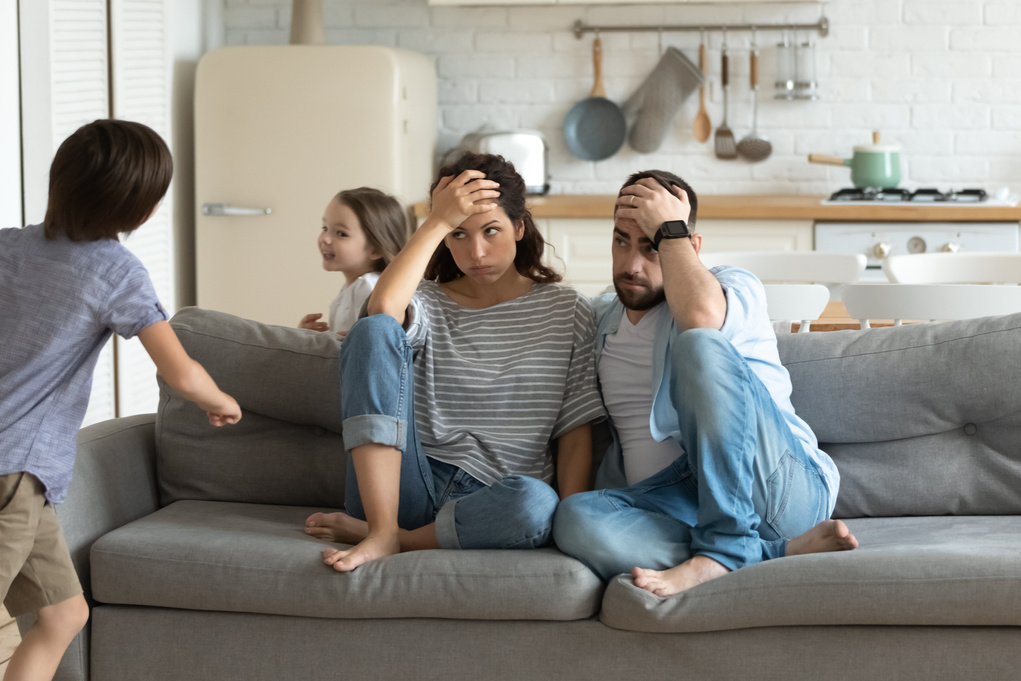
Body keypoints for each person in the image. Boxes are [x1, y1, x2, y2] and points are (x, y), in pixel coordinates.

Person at [0, 119, 242, 681]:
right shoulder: (116, 272)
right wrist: (220, 399)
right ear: (143, 210)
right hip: (12, 471)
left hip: (25, 479)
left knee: (64, 614)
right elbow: (180, 372)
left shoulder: (8, 246)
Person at [552, 170, 857, 598]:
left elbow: (700, 318)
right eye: (622, 241)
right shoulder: (600, 320)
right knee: (574, 518)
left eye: (651, 246)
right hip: (681, 502)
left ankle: (725, 548)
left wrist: (669, 230)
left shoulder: (732, 288)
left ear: (689, 245)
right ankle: (767, 552)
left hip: (779, 488)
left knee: (699, 346)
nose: (632, 265)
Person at [304, 152, 606, 571]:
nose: (476, 252)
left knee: (538, 504)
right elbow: (384, 310)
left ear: (519, 227)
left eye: (492, 230)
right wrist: (436, 220)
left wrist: (576, 527)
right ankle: (382, 528)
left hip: (496, 502)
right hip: (401, 489)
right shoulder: (426, 300)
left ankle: (395, 541)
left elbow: (574, 430)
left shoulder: (568, 310)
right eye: (459, 235)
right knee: (372, 328)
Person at [298, 187, 408, 336]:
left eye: (341, 233)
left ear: (375, 250)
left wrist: (318, 341)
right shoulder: (354, 287)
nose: (325, 238)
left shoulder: (368, 288)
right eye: (325, 228)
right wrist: (311, 336)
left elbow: (372, 341)